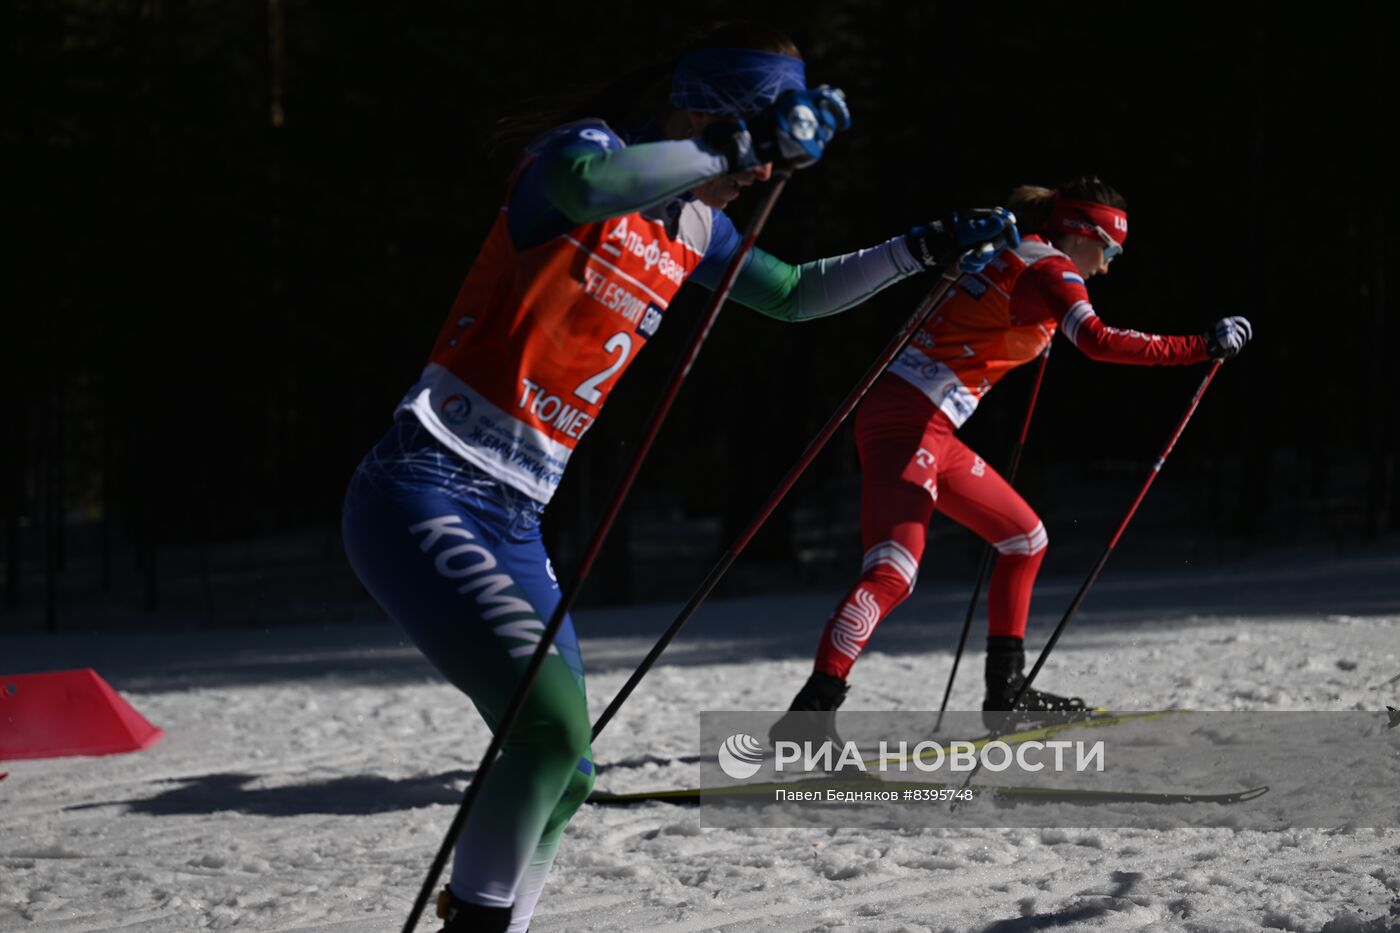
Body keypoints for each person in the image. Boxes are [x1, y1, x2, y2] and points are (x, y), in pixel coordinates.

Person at [340, 22, 1015, 933]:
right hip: (425, 484)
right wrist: (728, 146)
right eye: (764, 141)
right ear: (710, 114)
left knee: (568, 771)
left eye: (781, 150)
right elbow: (584, 188)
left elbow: (793, 292)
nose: (766, 172)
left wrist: (920, 248)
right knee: (547, 735)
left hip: (514, 516)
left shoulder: (695, 225)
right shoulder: (586, 153)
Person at [770, 176, 1253, 744]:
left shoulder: (1013, 249)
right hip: (910, 420)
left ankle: (1006, 695)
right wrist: (1201, 346)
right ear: (1083, 234)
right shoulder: (1052, 268)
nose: (1107, 267)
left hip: (923, 421)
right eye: (1111, 251)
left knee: (1026, 538)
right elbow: (1098, 340)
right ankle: (811, 713)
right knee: (893, 572)